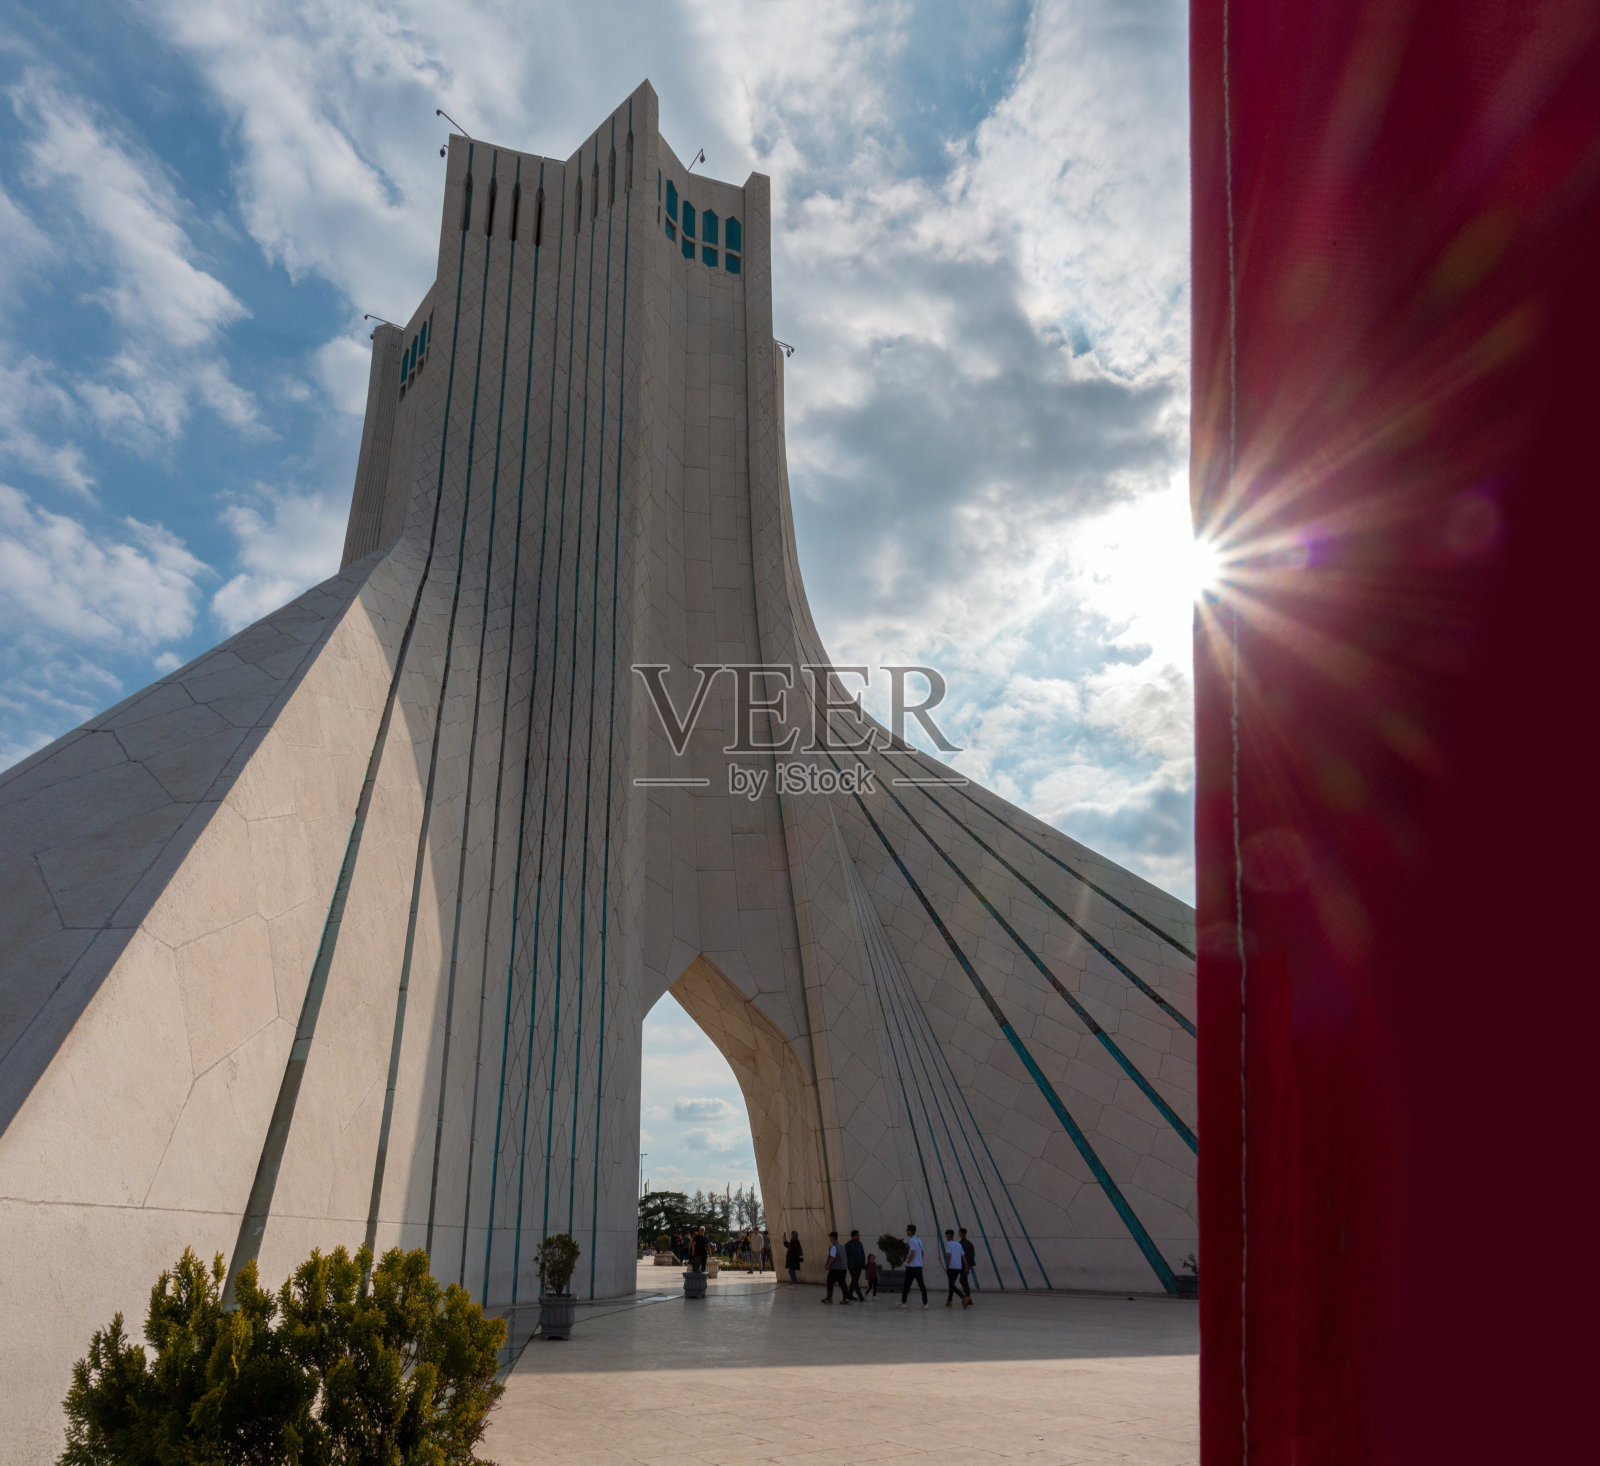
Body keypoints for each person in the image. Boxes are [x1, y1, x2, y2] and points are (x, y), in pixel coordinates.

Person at [897, 1224, 928, 1308]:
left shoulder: (911, 1240)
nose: (906, 1231)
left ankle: (903, 1303)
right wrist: (920, 1261)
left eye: (907, 1230)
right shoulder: (919, 1240)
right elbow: (922, 1253)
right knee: (922, 1285)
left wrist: (908, 1263)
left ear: (910, 1231)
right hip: (919, 1266)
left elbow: (912, 1253)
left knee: (906, 1284)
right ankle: (925, 1304)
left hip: (912, 1267)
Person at [943, 1229, 970, 1307]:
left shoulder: (948, 1244)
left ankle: (963, 1297)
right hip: (958, 1267)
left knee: (951, 1285)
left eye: (947, 1236)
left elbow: (949, 1256)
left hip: (951, 1267)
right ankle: (949, 1301)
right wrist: (966, 1267)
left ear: (950, 1235)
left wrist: (947, 1266)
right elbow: (963, 1256)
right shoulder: (958, 1244)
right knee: (951, 1284)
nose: (946, 1237)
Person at [823, 1231, 850, 1302]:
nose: (829, 1239)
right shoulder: (842, 1246)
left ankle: (829, 1298)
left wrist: (828, 1265)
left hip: (836, 1268)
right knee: (842, 1283)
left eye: (830, 1238)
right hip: (843, 1268)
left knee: (829, 1282)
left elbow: (832, 1257)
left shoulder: (833, 1247)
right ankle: (846, 1298)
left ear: (832, 1238)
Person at [845, 1229, 867, 1301]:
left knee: (855, 1280)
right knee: (855, 1280)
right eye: (857, 1235)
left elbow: (862, 1253)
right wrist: (849, 1263)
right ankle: (860, 1296)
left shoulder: (859, 1243)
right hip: (852, 1265)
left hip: (859, 1265)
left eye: (858, 1235)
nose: (859, 1236)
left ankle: (849, 1295)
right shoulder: (848, 1245)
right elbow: (845, 1255)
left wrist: (863, 1262)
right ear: (853, 1236)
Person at [959, 1226, 976, 1298]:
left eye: (959, 1233)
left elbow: (964, 1255)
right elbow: (972, 1254)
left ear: (961, 1233)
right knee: (963, 1280)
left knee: (963, 1280)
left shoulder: (963, 1243)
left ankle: (968, 1297)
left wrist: (966, 1265)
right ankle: (967, 1296)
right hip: (967, 1264)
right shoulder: (968, 1243)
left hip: (964, 1265)